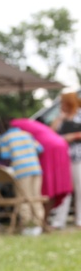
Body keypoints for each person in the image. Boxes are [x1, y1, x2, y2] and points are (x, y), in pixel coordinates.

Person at [10, 117, 72, 230]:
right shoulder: (30, 125)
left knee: (38, 193)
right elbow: (38, 148)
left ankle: (32, 223)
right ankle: (41, 222)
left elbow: (6, 155)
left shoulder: (14, 126)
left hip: (44, 154)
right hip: (58, 149)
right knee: (49, 190)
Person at [0, 117, 44, 236]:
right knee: (36, 197)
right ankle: (39, 224)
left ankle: (27, 226)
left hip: (22, 171)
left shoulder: (5, 138)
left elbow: (5, 156)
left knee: (24, 198)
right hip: (36, 169)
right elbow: (40, 149)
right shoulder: (26, 134)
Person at [51, 91, 81, 227]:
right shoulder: (61, 118)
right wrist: (60, 118)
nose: (61, 105)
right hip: (63, 158)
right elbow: (50, 133)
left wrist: (72, 136)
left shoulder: (79, 115)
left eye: (63, 102)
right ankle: (59, 220)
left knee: (79, 188)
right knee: (65, 188)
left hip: (78, 156)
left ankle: (79, 219)